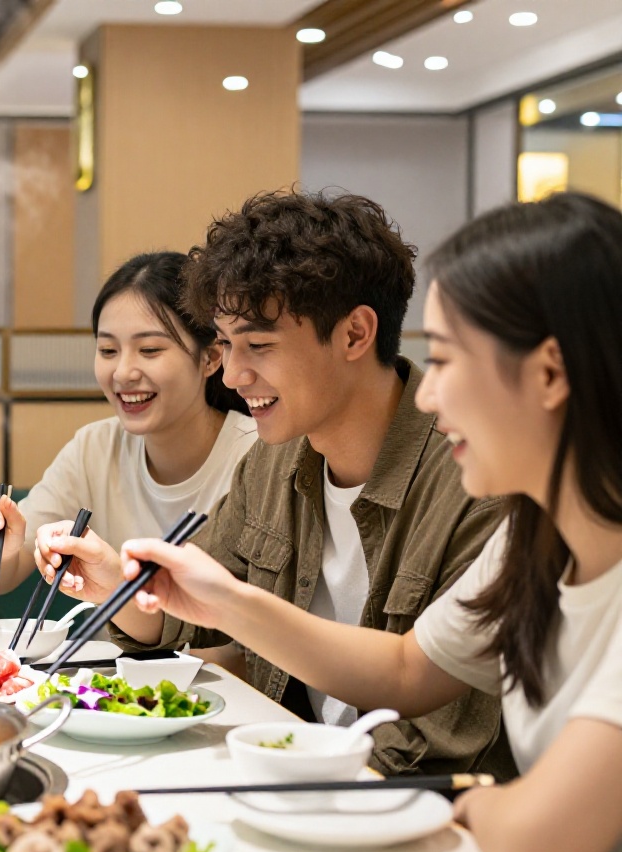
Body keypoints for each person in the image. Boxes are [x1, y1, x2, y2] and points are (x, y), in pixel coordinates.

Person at [117, 192, 622, 852]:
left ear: (549, 373)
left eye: (447, 360)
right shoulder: (534, 539)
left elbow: (542, 842)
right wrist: (225, 601)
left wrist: (474, 806)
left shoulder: (497, 509)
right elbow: (408, 669)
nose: (428, 395)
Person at [36, 191, 511, 778]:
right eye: (226, 345)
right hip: (293, 773)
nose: (234, 375)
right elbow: (186, 613)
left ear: (355, 334)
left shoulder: (475, 481)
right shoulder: (274, 461)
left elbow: (433, 743)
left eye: (259, 345)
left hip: (394, 799)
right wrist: (116, 582)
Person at [0, 251, 256, 596]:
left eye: (149, 350)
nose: (122, 372)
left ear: (211, 357)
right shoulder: (94, 449)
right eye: (108, 351)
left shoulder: (257, 456)